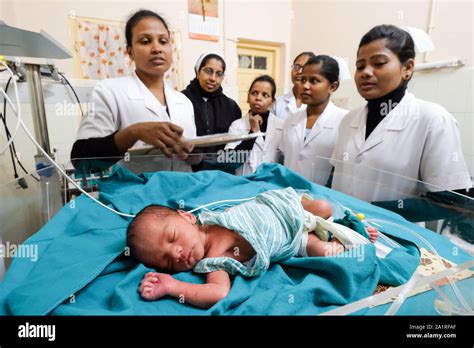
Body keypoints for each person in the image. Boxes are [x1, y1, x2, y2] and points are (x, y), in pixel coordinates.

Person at [126, 187, 379, 308]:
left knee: (324, 207)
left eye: (172, 238)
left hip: (283, 208)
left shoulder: (208, 218)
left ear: (186, 217)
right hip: (293, 241)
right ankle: (352, 233)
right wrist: (172, 286)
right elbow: (217, 294)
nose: (177, 254)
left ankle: (343, 223)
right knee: (327, 252)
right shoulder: (213, 263)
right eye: (168, 262)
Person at [330, 25, 472, 202]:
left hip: (391, 229)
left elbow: (450, 200)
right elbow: (336, 174)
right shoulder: (349, 120)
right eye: (360, 66)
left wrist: (374, 211)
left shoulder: (432, 119)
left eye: (379, 63)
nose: (365, 72)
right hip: (339, 225)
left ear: (408, 68)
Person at [71, 10, 196, 172]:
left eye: (163, 41)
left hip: (183, 192)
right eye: (145, 41)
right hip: (134, 194)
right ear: (130, 52)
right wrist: (133, 132)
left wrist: (195, 155)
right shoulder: (109, 91)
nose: (157, 48)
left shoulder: (183, 101)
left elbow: (191, 157)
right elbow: (82, 161)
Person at [280, 55, 348, 186]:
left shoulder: (344, 121)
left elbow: (342, 170)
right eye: (303, 79)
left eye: (314, 81)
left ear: (332, 87)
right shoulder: (290, 121)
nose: (305, 86)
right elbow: (285, 158)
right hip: (288, 194)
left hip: (323, 198)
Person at [182, 52, 242, 155]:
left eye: (219, 74)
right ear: (197, 72)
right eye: (208, 71)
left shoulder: (231, 107)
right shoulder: (181, 101)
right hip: (188, 165)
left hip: (220, 167)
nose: (213, 78)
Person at [224, 75, 284, 175]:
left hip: (271, 184)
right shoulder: (237, 126)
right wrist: (253, 132)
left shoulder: (281, 126)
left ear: (272, 102)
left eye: (265, 95)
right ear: (248, 97)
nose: (258, 98)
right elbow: (231, 161)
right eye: (254, 93)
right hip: (245, 183)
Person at [271, 51, 316, 120]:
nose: (299, 72)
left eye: (305, 68)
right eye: (297, 67)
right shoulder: (277, 103)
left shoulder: (317, 104)